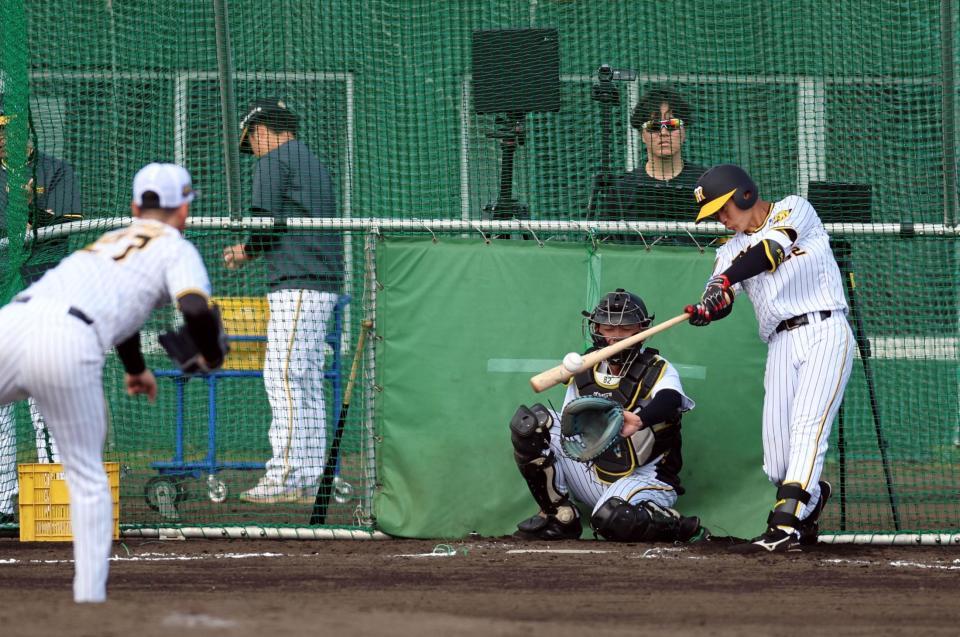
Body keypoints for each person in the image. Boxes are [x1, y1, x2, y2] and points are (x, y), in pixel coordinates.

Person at [0, 162, 225, 602]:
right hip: (67, 341)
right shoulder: (175, 246)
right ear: (184, 212)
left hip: (13, 321)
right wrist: (213, 355)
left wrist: (135, 368)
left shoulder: (106, 243)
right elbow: (196, 311)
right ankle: (89, 602)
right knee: (85, 477)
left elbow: (123, 315)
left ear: (135, 207)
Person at [685, 163, 854, 553]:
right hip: (780, 343)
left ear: (744, 194)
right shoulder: (728, 251)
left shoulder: (794, 209)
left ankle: (783, 526)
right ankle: (810, 496)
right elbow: (724, 295)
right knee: (779, 464)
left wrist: (726, 279)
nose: (722, 221)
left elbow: (768, 252)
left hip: (824, 329)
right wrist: (711, 306)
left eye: (723, 210)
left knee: (809, 428)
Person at [509, 289, 706, 543]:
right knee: (531, 424)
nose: (614, 337)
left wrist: (640, 419)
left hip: (646, 479)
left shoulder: (658, 368)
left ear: (641, 330)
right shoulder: (583, 366)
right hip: (594, 472)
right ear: (596, 329)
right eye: (608, 328)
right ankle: (559, 517)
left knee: (613, 519)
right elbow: (571, 428)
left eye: (624, 329)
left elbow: (671, 400)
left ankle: (679, 526)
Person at [223, 98, 344, 504]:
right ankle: (309, 476)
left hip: (298, 284)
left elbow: (265, 222)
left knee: (284, 378)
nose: (252, 149)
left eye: (251, 140)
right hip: (320, 284)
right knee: (304, 381)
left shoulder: (274, 160)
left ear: (260, 131)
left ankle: (287, 474)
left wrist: (246, 250)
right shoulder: (312, 161)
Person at [0, 97, 82, 525]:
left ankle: (53, 490)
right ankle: (3, 497)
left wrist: (31, 211)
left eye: (7, 131)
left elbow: (63, 226)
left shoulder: (54, 170)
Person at [602, 85, 706, 229]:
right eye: (654, 126)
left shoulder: (709, 184)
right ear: (641, 135)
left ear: (684, 131)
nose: (663, 133)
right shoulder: (621, 191)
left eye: (672, 124)